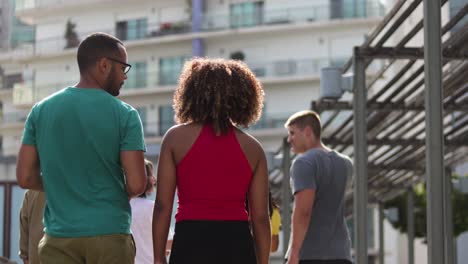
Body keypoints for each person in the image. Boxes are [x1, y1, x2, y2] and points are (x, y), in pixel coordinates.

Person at [16, 32, 147, 264]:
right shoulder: (125, 115)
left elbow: (25, 177)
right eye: (123, 68)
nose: (125, 77)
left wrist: (65, 188)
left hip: (59, 237)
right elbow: (137, 184)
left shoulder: (40, 111)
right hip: (110, 235)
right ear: (104, 65)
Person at [152, 58, 271, 264]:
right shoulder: (253, 148)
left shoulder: (175, 138)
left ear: (192, 92)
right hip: (237, 242)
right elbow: (260, 217)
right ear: (243, 96)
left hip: (190, 239)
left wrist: (158, 257)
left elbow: (163, 205)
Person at [284, 110, 353, 264]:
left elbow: (303, 211)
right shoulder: (346, 164)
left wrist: (294, 252)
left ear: (308, 131)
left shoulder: (303, 163)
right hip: (342, 255)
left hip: (310, 255)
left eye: (292, 133)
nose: (289, 139)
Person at [19, 190, 45, 264]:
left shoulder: (31, 192)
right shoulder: (70, 185)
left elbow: (24, 227)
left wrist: (25, 256)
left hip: (35, 257)